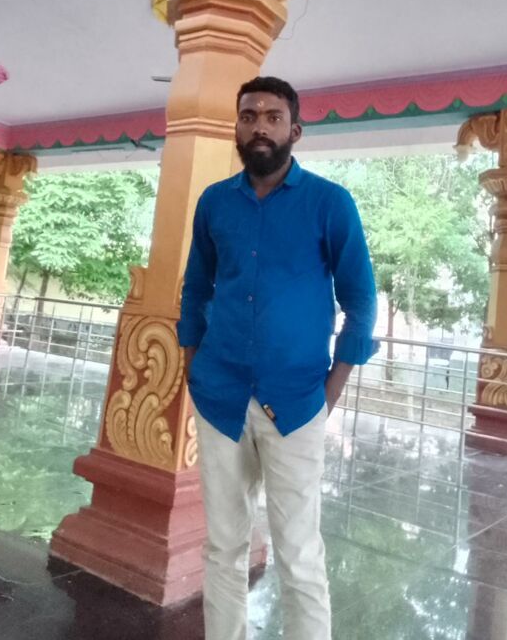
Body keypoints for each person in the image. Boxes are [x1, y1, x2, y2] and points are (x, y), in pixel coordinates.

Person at [178, 76, 377, 640]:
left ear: (295, 131)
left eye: (272, 117)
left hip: (296, 401)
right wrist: (194, 367)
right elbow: (196, 289)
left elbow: (360, 300)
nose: (259, 126)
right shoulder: (215, 202)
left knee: (298, 552)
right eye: (248, 116)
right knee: (223, 546)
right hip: (219, 397)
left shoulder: (329, 204)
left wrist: (330, 392)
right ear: (237, 128)